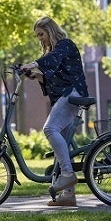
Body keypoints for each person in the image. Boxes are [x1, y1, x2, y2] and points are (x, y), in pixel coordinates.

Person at [21, 16, 89, 207]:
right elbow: (55, 77)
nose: (40, 39)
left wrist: (34, 64)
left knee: (50, 129)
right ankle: (68, 195)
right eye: (37, 36)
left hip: (73, 93)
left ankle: (67, 174)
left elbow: (52, 60)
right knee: (63, 146)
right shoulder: (57, 51)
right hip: (67, 94)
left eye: (41, 34)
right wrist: (36, 76)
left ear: (50, 31)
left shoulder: (65, 45)